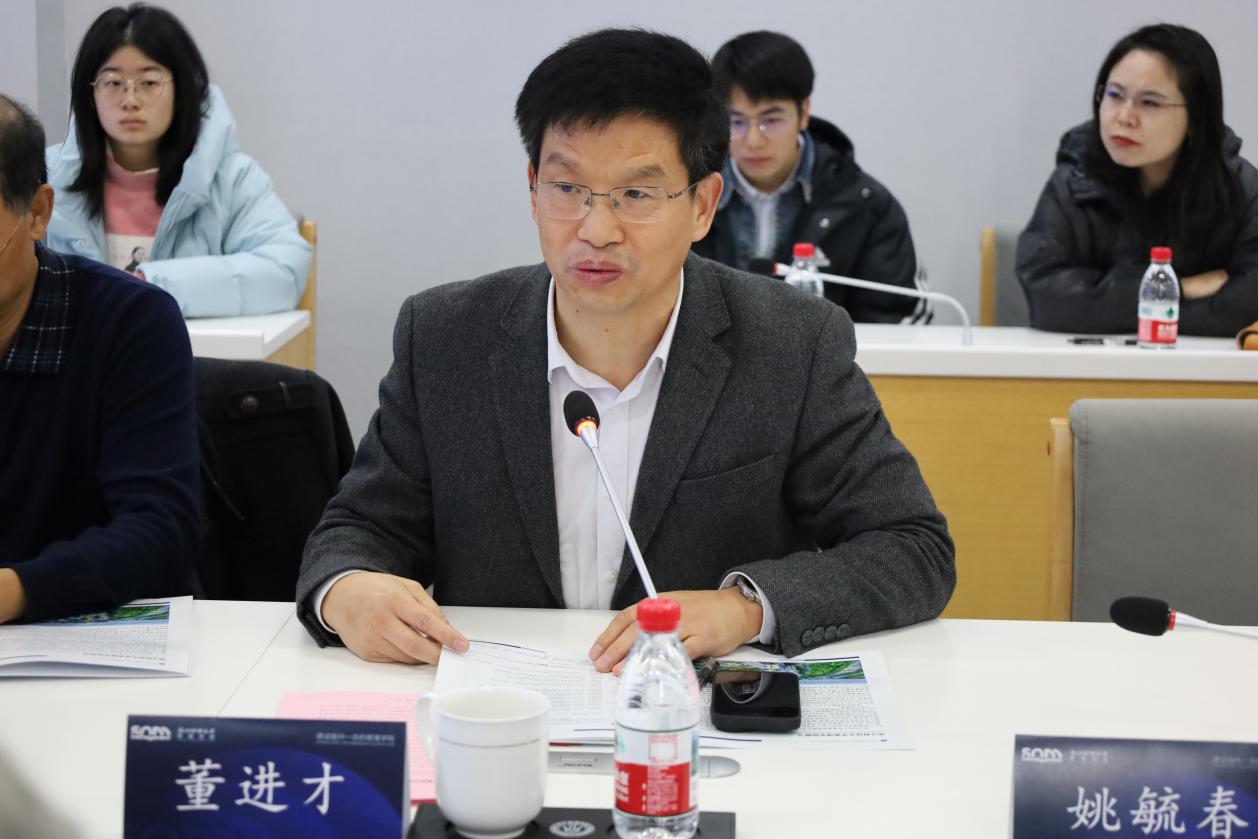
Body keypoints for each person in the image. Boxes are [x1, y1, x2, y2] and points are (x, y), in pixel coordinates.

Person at [295, 29, 954, 668]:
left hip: (694, 719)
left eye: (636, 194)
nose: (597, 228)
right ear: (533, 190)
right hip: (499, 714)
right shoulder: (445, 336)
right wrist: (346, 590)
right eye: (568, 189)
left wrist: (744, 609)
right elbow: (359, 529)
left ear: (704, 205)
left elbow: (912, 545)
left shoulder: (791, 343)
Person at [0, 95, 199, 624]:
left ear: (38, 213)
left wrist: (15, 591)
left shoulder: (130, 322)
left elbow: (160, 531)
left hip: (91, 641)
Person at [44, 3, 311, 318]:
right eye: (113, 82)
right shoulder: (47, 176)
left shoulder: (230, 178)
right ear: (89, 94)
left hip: (192, 350)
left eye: (149, 83)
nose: (130, 100)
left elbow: (284, 269)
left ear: (182, 91)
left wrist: (150, 285)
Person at [1017, 23, 1258, 336]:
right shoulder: (1074, 182)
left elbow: (1246, 307)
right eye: (1114, 95)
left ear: (1196, 119)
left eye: (1150, 102)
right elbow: (1049, 301)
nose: (1124, 117)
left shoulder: (1241, 190)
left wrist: (1110, 309)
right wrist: (1178, 288)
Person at [692, 31, 923, 323]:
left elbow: (897, 320)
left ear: (803, 114)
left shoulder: (867, 206)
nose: (753, 141)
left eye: (771, 121)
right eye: (736, 121)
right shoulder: (690, 197)